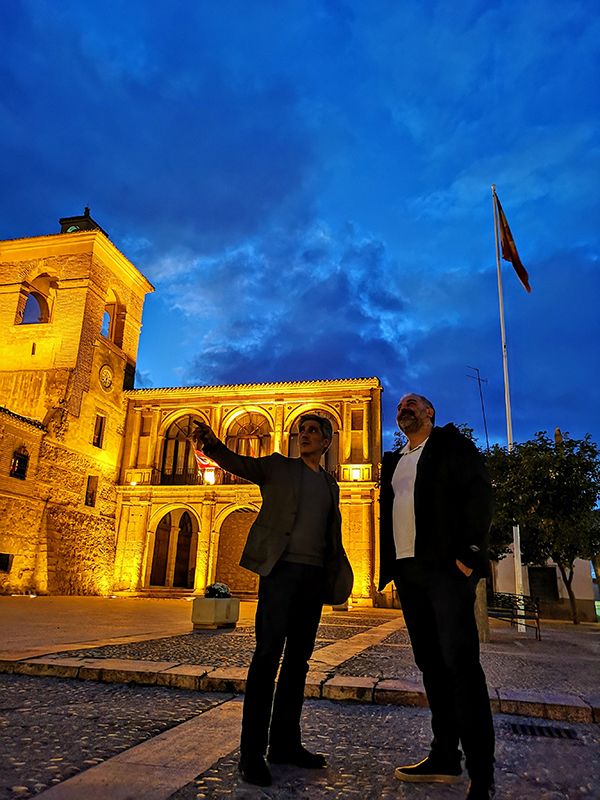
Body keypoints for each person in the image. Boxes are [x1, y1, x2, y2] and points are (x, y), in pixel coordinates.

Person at [193, 414, 353, 787]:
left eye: (314, 431)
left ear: (327, 441)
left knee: (298, 662)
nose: (305, 436)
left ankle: (284, 744)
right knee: (266, 659)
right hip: (280, 574)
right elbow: (241, 464)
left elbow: (333, 534)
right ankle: (251, 753)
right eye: (302, 431)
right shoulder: (278, 467)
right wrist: (212, 446)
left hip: (313, 580)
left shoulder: (331, 485)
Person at [379, 393, 495, 800]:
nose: (403, 408)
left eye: (413, 403)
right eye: (400, 406)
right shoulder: (395, 462)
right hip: (409, 573)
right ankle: (444, 755)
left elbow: (479, 494)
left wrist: (469, 556)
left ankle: (482, 773)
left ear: (430, 412)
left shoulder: (450, 445)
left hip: (445, 569)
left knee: (461, 666)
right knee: (430, 666)